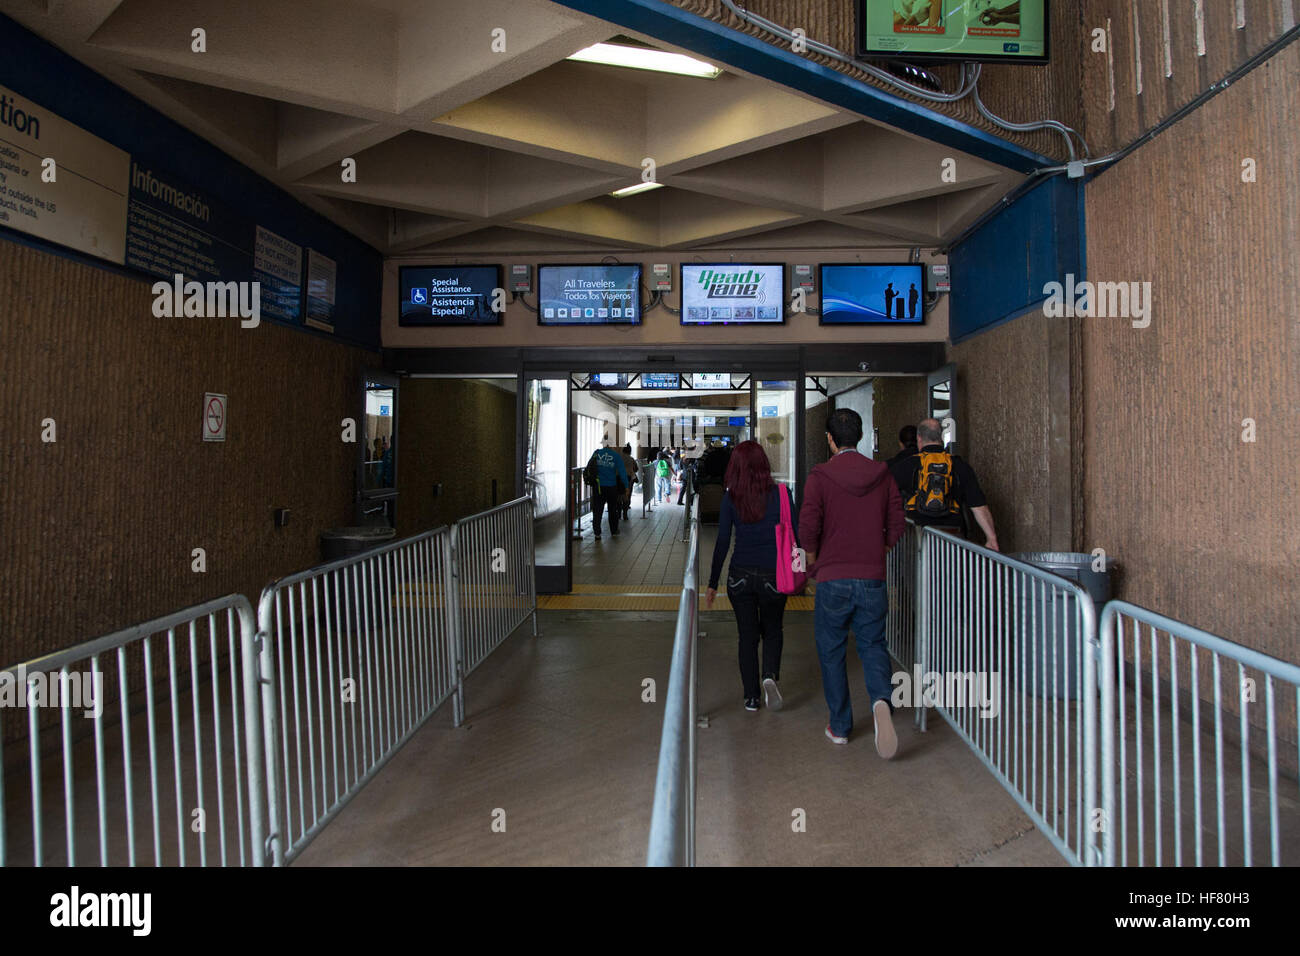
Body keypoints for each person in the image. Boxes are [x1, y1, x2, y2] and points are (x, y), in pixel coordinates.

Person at [799, 407, 906, 757]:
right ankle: (880, 702)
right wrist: (881, 549)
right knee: (873, 645)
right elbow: (897, 521)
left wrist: (813, 564)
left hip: (832, 578)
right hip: (872, 577)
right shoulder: (882, 474)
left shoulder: (821, 476)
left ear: (830, 440)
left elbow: (808, 526)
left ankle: (841, 726)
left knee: (831, 651)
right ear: (858, 437)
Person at [704, 441, 794, 712]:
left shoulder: (730, 498)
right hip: (773, 575)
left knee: (747, 636)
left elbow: (721, 543)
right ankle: (769, 675)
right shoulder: (781, 493)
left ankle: (751, 697)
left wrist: (712, 583)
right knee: (773, 629)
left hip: (739, 575)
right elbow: (796, 533)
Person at [889, 418, 999, 551]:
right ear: (941, 437)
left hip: (917, 538)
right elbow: (978, 506)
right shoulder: (959, 466)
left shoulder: (906, 466)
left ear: (919, 438)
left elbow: (884, 498)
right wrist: (991, 538)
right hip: (953, 538)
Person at [585, 439, 627, 539]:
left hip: (598, 487)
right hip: (612, 487)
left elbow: (590, 467)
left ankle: (597, 533)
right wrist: (626, 486)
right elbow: (622, 472)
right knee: (612, 509)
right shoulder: (615, 456)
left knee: (598, 509)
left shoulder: (597, 454)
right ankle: (614, 530)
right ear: (611, 445)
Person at [619, 443, 638, 520]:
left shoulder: (618, 457)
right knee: (627, 495)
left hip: (619, 478)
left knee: (619, 495)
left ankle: (619, 513)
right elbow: (636, 468)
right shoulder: (631, 459)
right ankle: (625, 514)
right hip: (628, 478)